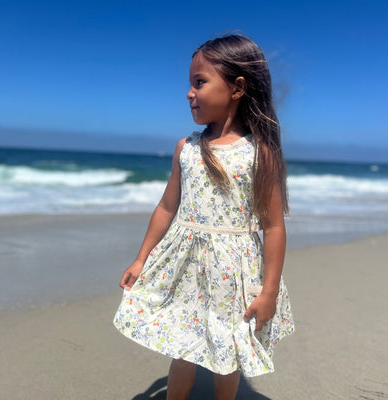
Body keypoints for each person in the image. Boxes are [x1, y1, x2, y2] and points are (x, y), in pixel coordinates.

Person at [113, 34, 294, 400]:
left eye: (199, 82)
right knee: (183, 346)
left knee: (228, 354)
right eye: (190, 83)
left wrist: (269, 292)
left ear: (237, 88)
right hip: (186, 269)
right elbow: (167, 207)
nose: (189, 93)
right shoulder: (186, 148)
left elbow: (274, 226)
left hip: (234, 274)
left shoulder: (259, 153)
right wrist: (141, 258)